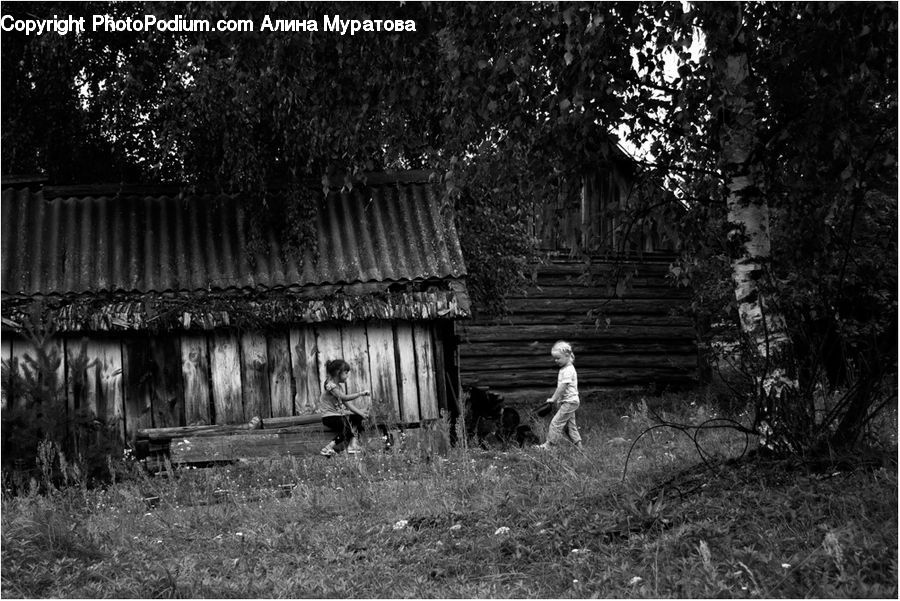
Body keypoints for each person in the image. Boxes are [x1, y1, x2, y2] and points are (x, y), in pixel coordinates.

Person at [536, 340, 583, 450]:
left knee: (555, 423)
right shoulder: (565, 369)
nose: (556, 361)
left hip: (570, 402)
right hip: (570, 401)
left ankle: (550, 445)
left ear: (567, 356)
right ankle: (580, 447)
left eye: (558, 358)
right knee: (571, 426)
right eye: (555, 358)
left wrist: (553, 399)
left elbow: (562, 387)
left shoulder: (568, 370)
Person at [319, 359, 371, 457]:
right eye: (346, 373)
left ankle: (353, 445)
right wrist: (360, 394)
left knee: (358, 418)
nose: (347, 376)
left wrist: (362, 414)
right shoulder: (330, 385)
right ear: (338, 372)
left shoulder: (338, 387)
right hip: (330, 417)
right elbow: (344, 397)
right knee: (349, 427)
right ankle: (328, 447)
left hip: (337, 415)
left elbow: (348, 405)